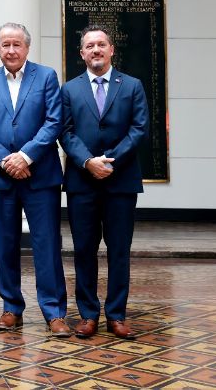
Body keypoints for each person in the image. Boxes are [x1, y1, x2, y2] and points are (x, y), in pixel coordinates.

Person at [0, 23, 69, 337]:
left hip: (40, 175)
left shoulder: (46, 76)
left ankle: (54, 312)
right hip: (2, 177)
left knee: (46, 244)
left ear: (27, 47)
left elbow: (54, 121)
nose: (11, 50)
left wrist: (25, 156)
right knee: (6, 244)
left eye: (17, 44)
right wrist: (6, 160)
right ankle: (11, 308)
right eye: (6, 45)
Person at [59, 25, 149, 340]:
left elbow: (139, 128)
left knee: (119, 250)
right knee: (84, 250)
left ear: (111, 49)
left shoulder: (132, 85)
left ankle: (116, 315)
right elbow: (65, 131)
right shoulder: (69, 89)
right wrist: (88, 162)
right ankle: (88, 315)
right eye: (89, 46)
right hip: (82, 182)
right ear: (81, 53)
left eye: (101, 44)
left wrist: (110, 161)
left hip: (120, 181)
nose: (95, 50)